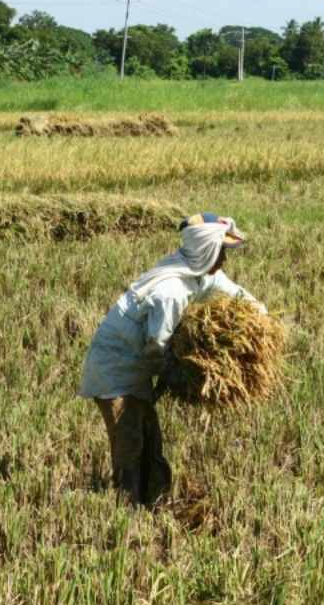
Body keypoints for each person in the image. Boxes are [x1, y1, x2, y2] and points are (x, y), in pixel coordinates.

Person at [78, 213, 263, 506]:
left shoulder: (198, 271)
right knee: (130, 443)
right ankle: (127, 511)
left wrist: (261, 318)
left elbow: (232, 292)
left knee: (150, 439)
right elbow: (155, 348)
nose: (224, 261)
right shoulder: (172, 291)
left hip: (136, 367)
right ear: (207, 251)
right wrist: (181, 376)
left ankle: (154, 504)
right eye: (222, 253)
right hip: (114, 368)